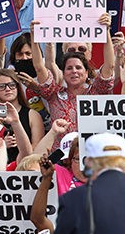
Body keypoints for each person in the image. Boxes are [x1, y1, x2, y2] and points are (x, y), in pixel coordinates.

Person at [31, 15, 114, 150]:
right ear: (63, 73)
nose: (74, 71)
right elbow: (39, 68)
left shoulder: (97, 91)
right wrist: (35, 38)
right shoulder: (54, 94)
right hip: (60, 159)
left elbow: (109, 66)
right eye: (69, 68)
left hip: (92, 155)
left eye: (78, 68)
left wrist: (106, 32)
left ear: (87, 72)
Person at [0, 69, 44, 162]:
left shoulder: (32, 115)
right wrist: (2, 146)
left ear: (18, 87)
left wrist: (22, 143)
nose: (8, 89)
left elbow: (37, 149)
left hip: (25, 168)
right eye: (2, 86)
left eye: (12, 85)